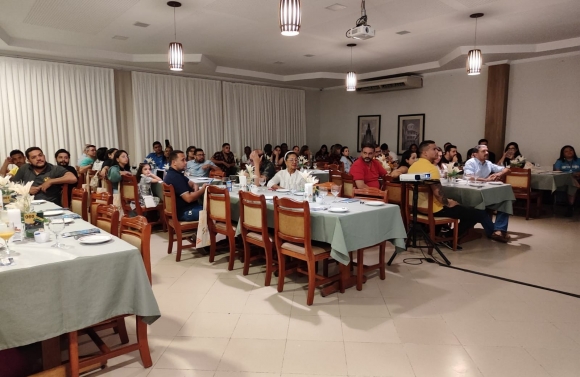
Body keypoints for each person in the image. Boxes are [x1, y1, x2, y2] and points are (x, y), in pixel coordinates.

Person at [409, 141, 506, 244]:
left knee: (465, 208)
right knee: (477, 212)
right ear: (425, 153)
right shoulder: (431, 168)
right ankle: (449, 236)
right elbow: (438, 194)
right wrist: (448, 203)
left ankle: (444, 234)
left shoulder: (413, 167)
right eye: (434, 149)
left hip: (415, 207)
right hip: (434, 209)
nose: (437, 151)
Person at [464, 145, 511, 240]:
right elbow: (469, 177)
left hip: (486, 192)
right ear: (475, 154)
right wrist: (485, 180)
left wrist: (499, 173)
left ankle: (499, 230)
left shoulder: (488, 163)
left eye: (487, 151)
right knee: (479, 207)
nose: (487, 153)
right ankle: (496, 231)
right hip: (473, 193)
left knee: (505, 201)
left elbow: (507, 169)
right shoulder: (471, 162)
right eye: (483, 151)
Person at [10, 147, 77, 205]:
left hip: (50, 207)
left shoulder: (54, 169)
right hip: (27, 206)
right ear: (29, 160)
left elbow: (73, 178)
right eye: (34, 157)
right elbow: (13, 186)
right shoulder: (24, 168)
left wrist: (51, 181)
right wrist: (26, 189)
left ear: (44, 156)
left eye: (40, 155)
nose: (39, 158)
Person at [164, 150, 207, 221]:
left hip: (186, 209)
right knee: (213, 210)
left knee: (210, 207)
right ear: (174, 162)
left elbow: (193, 184)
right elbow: (189, 198)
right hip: (185, 212)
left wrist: (195, 191)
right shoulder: (175, 177)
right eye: (182, 160)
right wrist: (203, 189)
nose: (186, 162)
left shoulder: (175, 173)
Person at [554, 145, 580, 216]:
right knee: (571, 181)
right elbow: (557, 172)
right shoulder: (559, 161)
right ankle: (571, 206)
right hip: (564, 180)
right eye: (566, 151)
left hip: (578, 179)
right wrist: (570, 175)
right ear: (563, 154)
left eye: (571, 150)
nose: (569, 152)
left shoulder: (579, 160)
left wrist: (578, 173)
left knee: (572, 183)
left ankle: (570, 207)